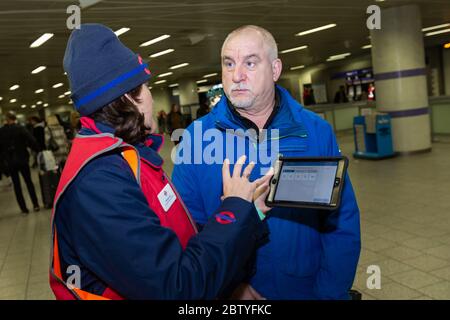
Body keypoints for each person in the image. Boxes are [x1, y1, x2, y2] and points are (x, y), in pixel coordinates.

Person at [50, 23, 271, 300]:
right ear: (131, 96)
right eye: (147, 86)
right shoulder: (99, 181)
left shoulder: (125, 158)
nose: (152, 97)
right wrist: (234, 207)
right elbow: (176, 288)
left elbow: (180, 242)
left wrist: (247, 214)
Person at [172, 25, 361, 300]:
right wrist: (228, 287)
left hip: (305, 290)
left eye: (250, 62)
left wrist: (330, 293)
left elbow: (341, 222)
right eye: (229, 63)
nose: (236, 76)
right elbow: (185, 230)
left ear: (275, 69)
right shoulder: (195, 140)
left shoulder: (314, 131)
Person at [0, 112, 41, 214]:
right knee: (29, 182)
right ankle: (35, 205)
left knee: (17, 185)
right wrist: (38, 150)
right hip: (23, 159)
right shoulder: (20, 128)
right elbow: (31, 140)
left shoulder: (1, 131)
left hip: (10, 162)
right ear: (14, 119)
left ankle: (24, 208)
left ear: (6, 120)